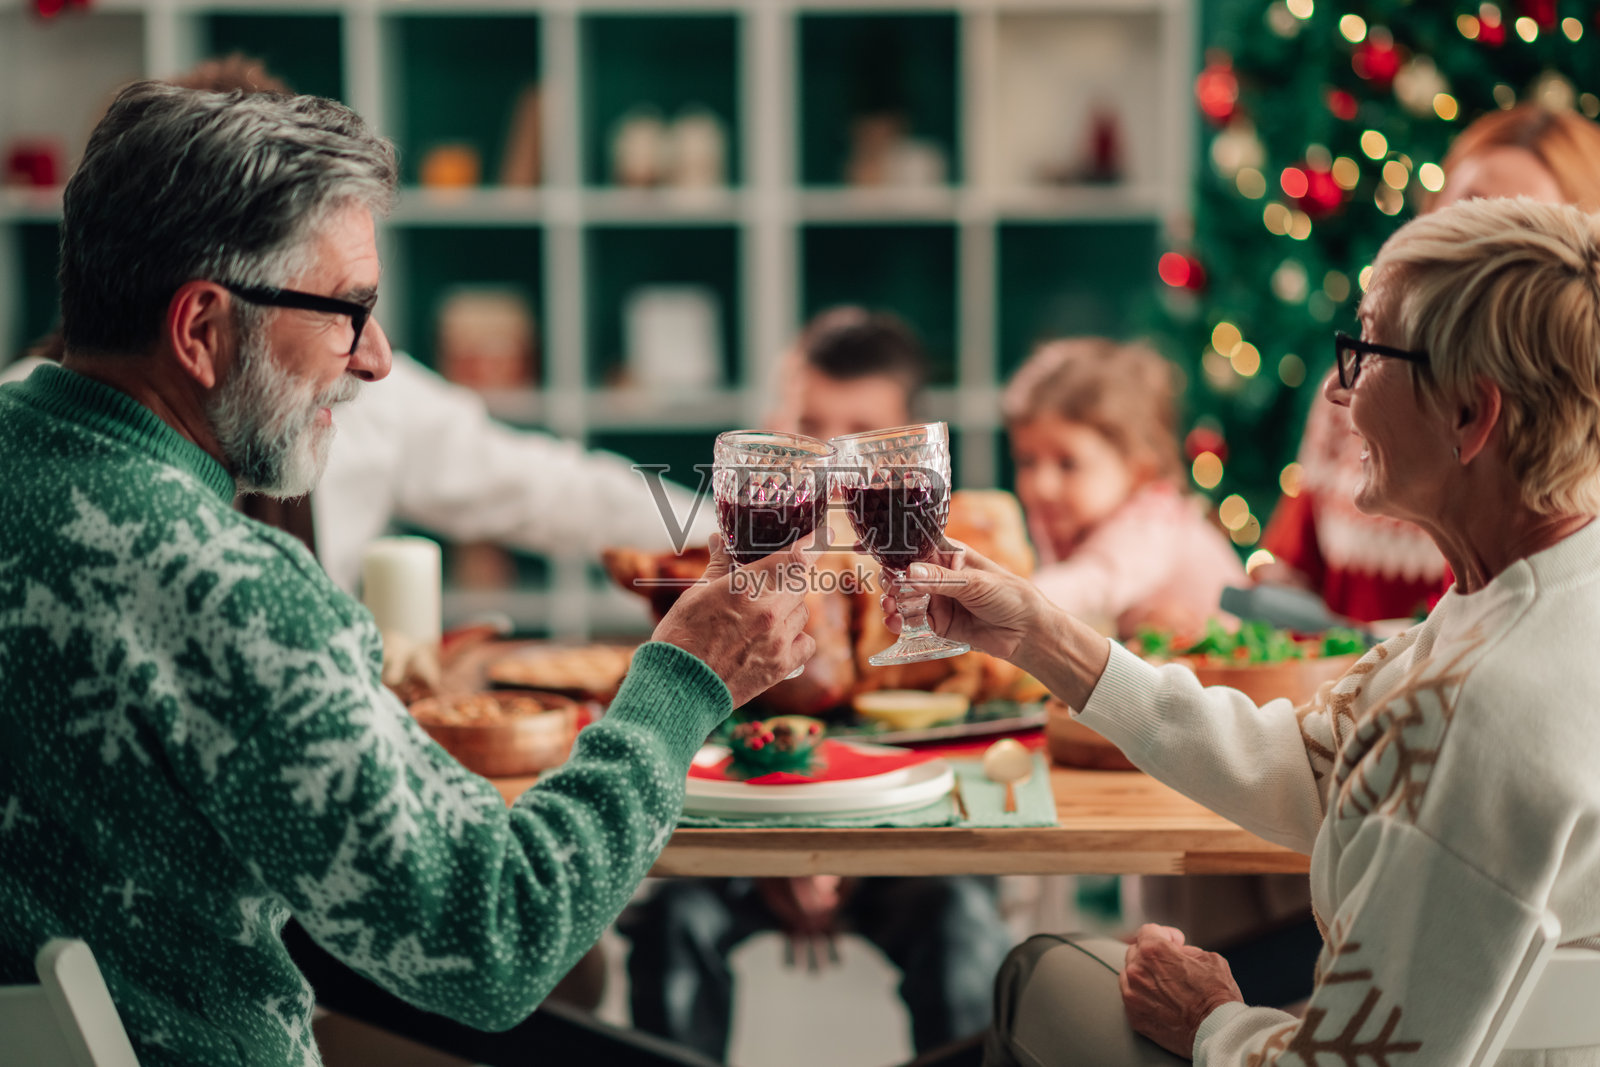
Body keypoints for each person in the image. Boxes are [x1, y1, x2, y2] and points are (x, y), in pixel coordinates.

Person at [0, 82, 815, 1067]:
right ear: (201, 328)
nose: (377, 359)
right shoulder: (224, 588)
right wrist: (687, 674)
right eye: (348, 311)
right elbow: (498, 936)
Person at [885, 197, 1600, 1062]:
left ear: (1469, 416)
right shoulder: (1533, 594)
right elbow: (1308, 764)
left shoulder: (1482, 707)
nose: (1340, 390)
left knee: (1038, 971)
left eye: (1368, 351)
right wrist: (1040, 634)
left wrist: (1214, 1020)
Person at [0, 56, 710, 596]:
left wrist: (743, 537)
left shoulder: (358, 391)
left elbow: (555, 489)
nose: (376, 360)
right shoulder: (38, 453)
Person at [621, 308, 1014, 1062]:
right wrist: (780, 850)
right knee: (668, 926)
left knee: (963, 925)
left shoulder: (958, 565)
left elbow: (989, 717)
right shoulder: (727, 554)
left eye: (859, 432)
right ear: (771, 423)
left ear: (907, 442)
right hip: (741, 831)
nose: (831, 462)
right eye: (807, 424)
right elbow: (680, 715)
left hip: (912, 836)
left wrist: (845, 849)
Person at [1255, 102, 1600, 624]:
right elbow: (1289, 564)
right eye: (1468, 210)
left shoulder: (1557, 446)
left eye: (1516, 223)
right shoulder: (1361, 385)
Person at [1003, 337, 1245, 641]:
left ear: (1138, 471)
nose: (1042, 485)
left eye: (1068, 464)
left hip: (1226, 670)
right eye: (1027, 461)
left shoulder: (1152, 520)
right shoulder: (1063, 515)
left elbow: (1093, 588)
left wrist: (1003, 593)